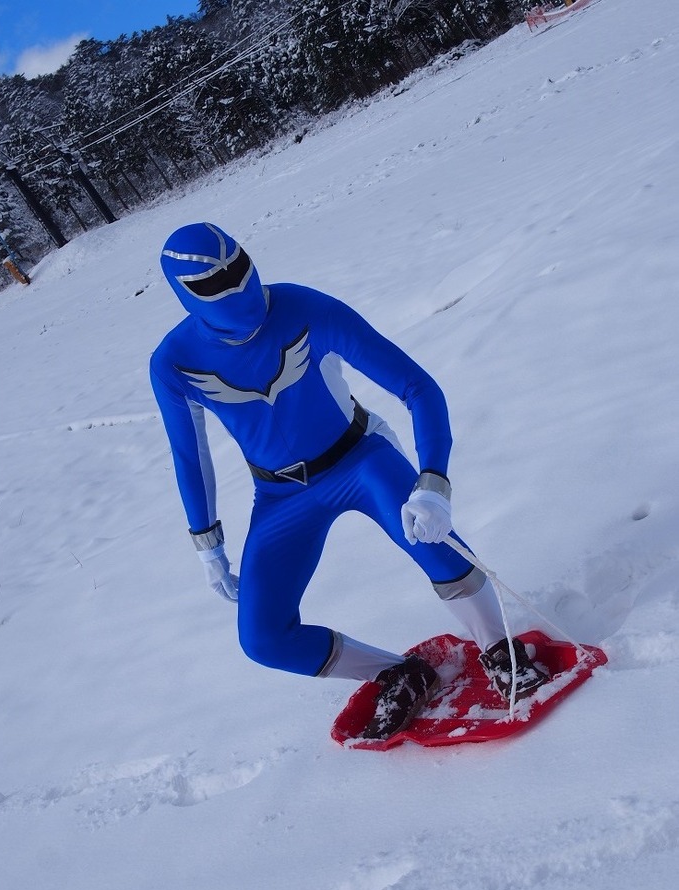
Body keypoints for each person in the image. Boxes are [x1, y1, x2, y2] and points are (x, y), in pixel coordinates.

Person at [150, 222, 548, 739]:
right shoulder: (173, 363)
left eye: (239, 268)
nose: (236, 287)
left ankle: (500, 648)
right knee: (263, 638)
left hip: (361, 458)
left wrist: (433, 483)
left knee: (430, 537)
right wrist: (208, 546)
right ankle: (396, 674)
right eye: (214, 282)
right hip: (279, 495)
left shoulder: (305, 308)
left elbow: (417, 387)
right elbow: (189, 457)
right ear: (186, 296)